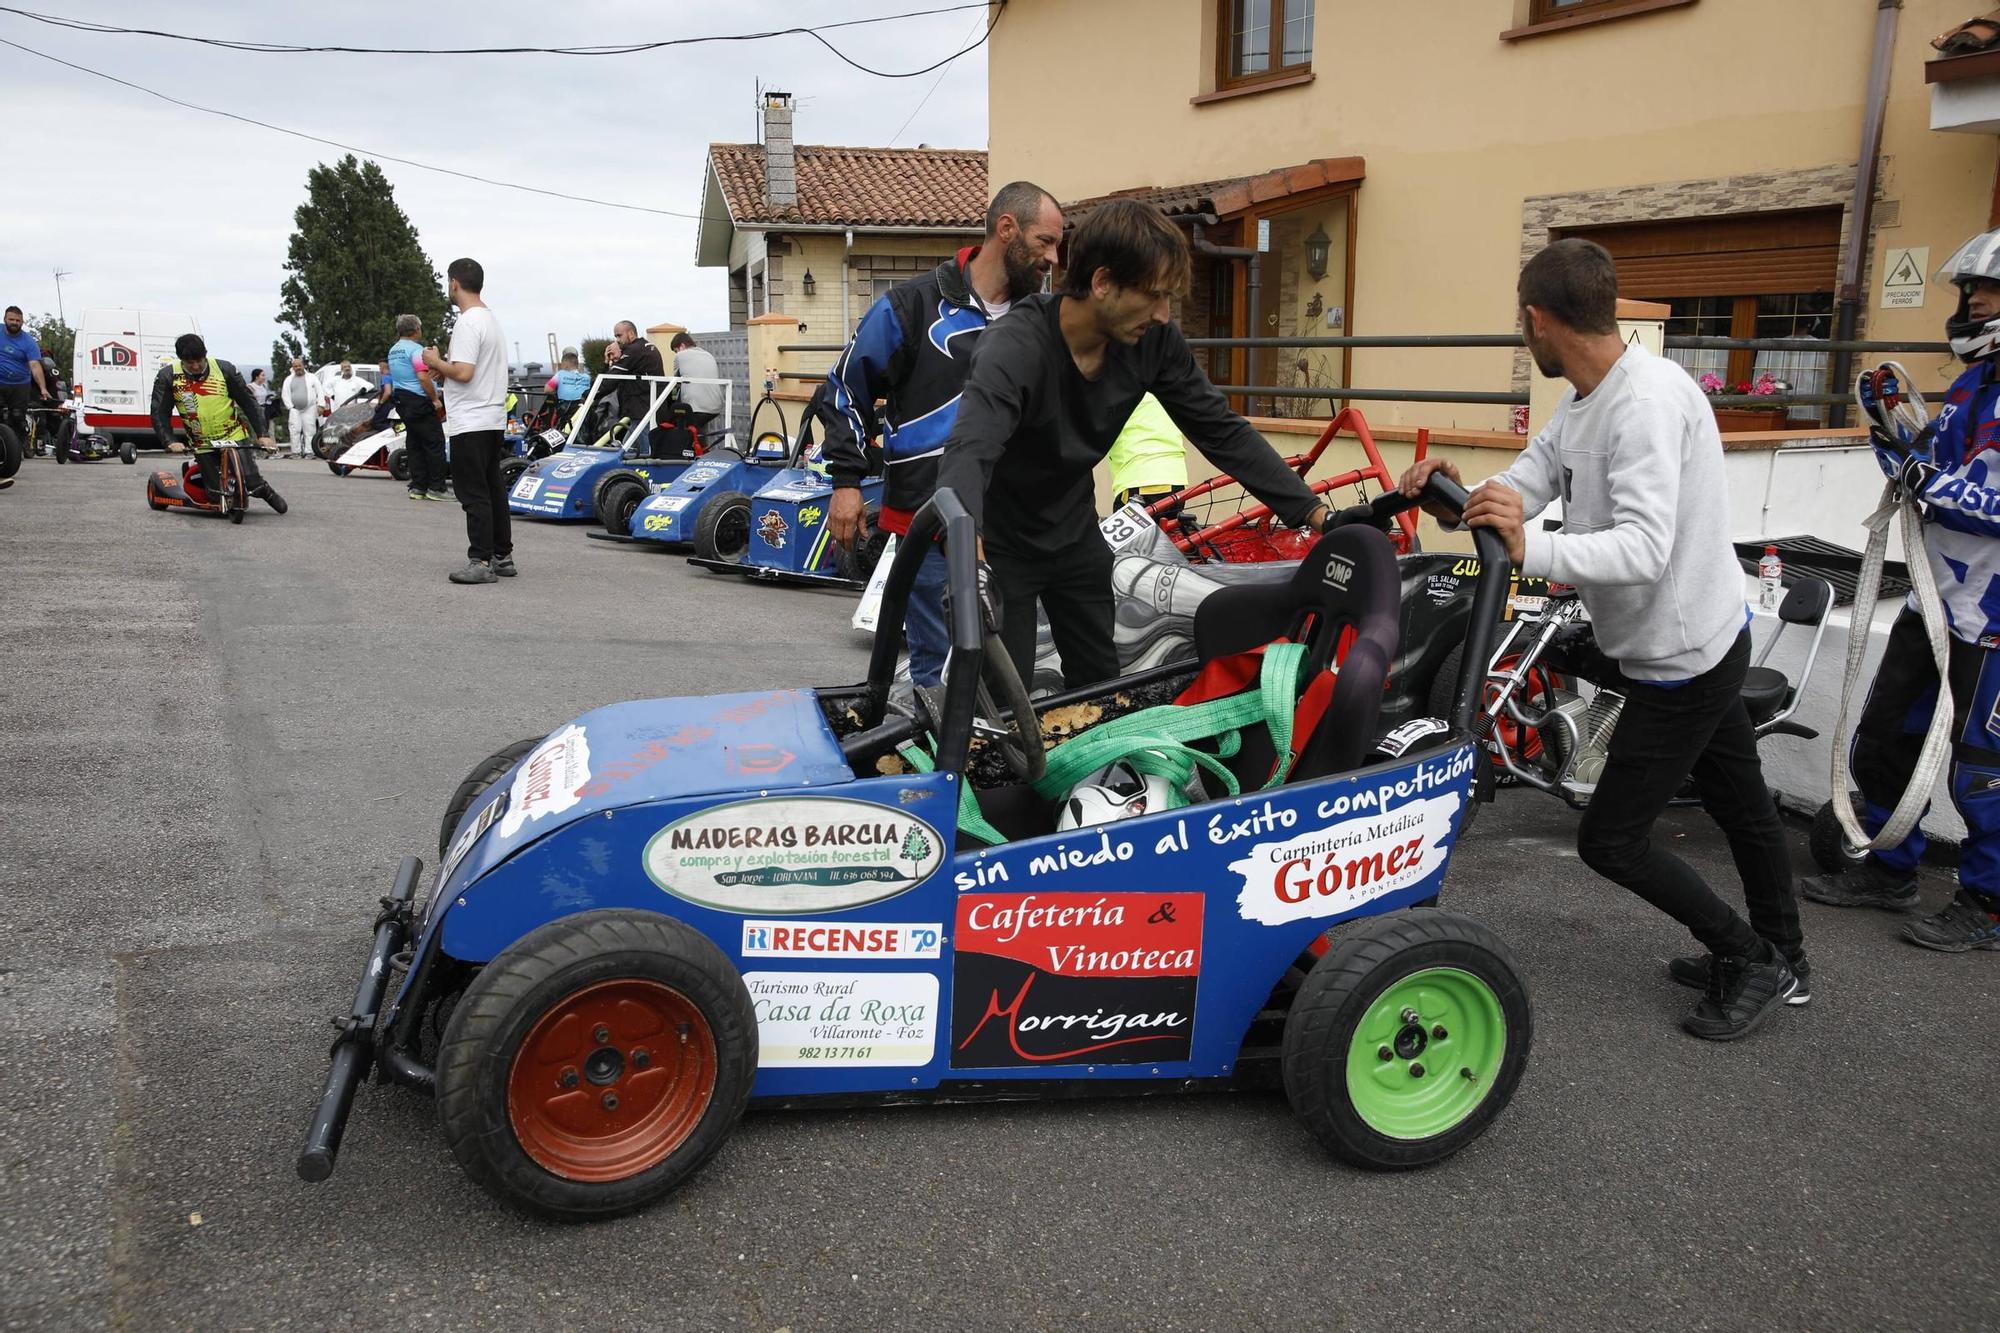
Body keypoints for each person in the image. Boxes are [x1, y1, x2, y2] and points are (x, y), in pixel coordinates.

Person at [1399, 238, 1802, 1039]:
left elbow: (1644, 550)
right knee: (1742, 804)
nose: (1525, 337)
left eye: (1524, 325)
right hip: (1694, 637)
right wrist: (1454, 495)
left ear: (1539, 320)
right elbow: (1523, 484)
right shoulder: (1588, 398)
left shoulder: (1647, 406)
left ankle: (1750, 956)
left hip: (1682, 658)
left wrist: (1530, 548)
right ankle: (1782, 955)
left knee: (1612, 841)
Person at [936, 199, 1330, 691]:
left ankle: (1094, 763)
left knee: (1101, 685)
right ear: (1102, 283)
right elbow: (971, 450)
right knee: (1004, 695)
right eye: (1154, 296)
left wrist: (1316, 515)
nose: (1165, 315)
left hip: (1075, 533)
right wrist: (966, 557)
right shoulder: (1014, 347)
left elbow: (1220, 429)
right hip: (1003, 543)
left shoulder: (1153, 342)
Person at [1802, 229, 2000, 954]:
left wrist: (1923, 478)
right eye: (1969, 288)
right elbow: (1937, 464)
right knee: (1887, 735)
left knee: (1985, 767)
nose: (1973, 300)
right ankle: (1891, 870)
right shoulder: (1975, 382)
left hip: (1992, 618)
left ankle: (1987, 903)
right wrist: (1898, 436)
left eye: (1989, 289)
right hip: (1932, 597)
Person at [820, 181, 1065, 688]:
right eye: (1045, 242)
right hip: (925, 519)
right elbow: (845, 389)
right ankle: (939, 764)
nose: (1053, 258)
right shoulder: (911, 306)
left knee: (1009, 671)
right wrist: (845, 483)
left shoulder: (1045, 318)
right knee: (938, 669)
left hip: (1013, 526)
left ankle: (992, 764)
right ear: (1006, 229)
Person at [426, 258, 513, 584]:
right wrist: (446, 366)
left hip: (470, 419)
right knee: (493, 488)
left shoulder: (466, 323)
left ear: (454, 283)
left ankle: (480, 559)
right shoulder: (490, 320)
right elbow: (467, 368)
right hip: (491, 416)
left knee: (473, 491)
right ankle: (503, 555)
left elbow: (463, 372)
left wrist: (435, 361)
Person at [148, 333, 287, 513]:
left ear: (205, 354)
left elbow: (248, 402)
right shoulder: (168, 376)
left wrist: (263, 435)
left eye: (200, 360)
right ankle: (195, 468)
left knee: (252, 482)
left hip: (233, 434)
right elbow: (159, 413)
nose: (196, 366)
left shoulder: (224, 369)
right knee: (215, 495)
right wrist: (170, 440)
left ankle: (265, 491)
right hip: (202, 441)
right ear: (181, 360)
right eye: (190, 363)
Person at [388, 314, 448, 502]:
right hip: (419, 399)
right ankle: (436, 487)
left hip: (401, 399)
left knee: (414, 443)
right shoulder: (416, 350)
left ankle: (418, 486)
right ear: (416, 330)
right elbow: (423, 377)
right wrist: (435, 399)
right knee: (434, 442)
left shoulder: (393, 350)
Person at [1107, 391, 1189, 516]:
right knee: (1168, 533)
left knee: (1132, 535)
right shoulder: (1164, 390)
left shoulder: (1120, 390)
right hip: (1176, 480)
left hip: (1140, 478)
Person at [604, 320, 665, 447]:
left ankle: (650, 465)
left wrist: (590, 394)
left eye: (619, 335)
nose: (617, 340)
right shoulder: (645, 347)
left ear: (631, 333)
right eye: (615, 336)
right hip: (646, 405)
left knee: (642, 447)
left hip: (642, 407)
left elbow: (611, 379)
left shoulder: (634, 350)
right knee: (627, 447)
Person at [667, 332, 725, 454]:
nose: (676, 353)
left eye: (676, 350)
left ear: (681, 346)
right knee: (699, 429)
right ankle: (702, 454)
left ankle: (685, 456)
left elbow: (675, 383)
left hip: (695, 407)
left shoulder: (681, 356)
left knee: (681, 421)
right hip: (715, 406)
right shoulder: (708, 355)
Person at [1, 305, 52, 428]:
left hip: (19, 384)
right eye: (11, 320)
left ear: (22, 322)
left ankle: (19, 444)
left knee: (17, 417)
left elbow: (35, 365)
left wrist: (43, 388)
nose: (14, 323)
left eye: (18, 321)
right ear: (5, 319)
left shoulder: (28, 342)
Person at [279, 358, 321, 458]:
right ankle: (295, 452)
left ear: (303, 365)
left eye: (299, 365)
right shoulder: (288, 379)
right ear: (293, 368)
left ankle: (309, 452)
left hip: (309, 408)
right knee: (294, 430)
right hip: (295, 409)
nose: (298, 368)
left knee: (310, 430)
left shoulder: (312, 377)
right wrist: (290, 406)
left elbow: (320, 391)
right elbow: (285, 394)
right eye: (295, 366)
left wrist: (321, 405)